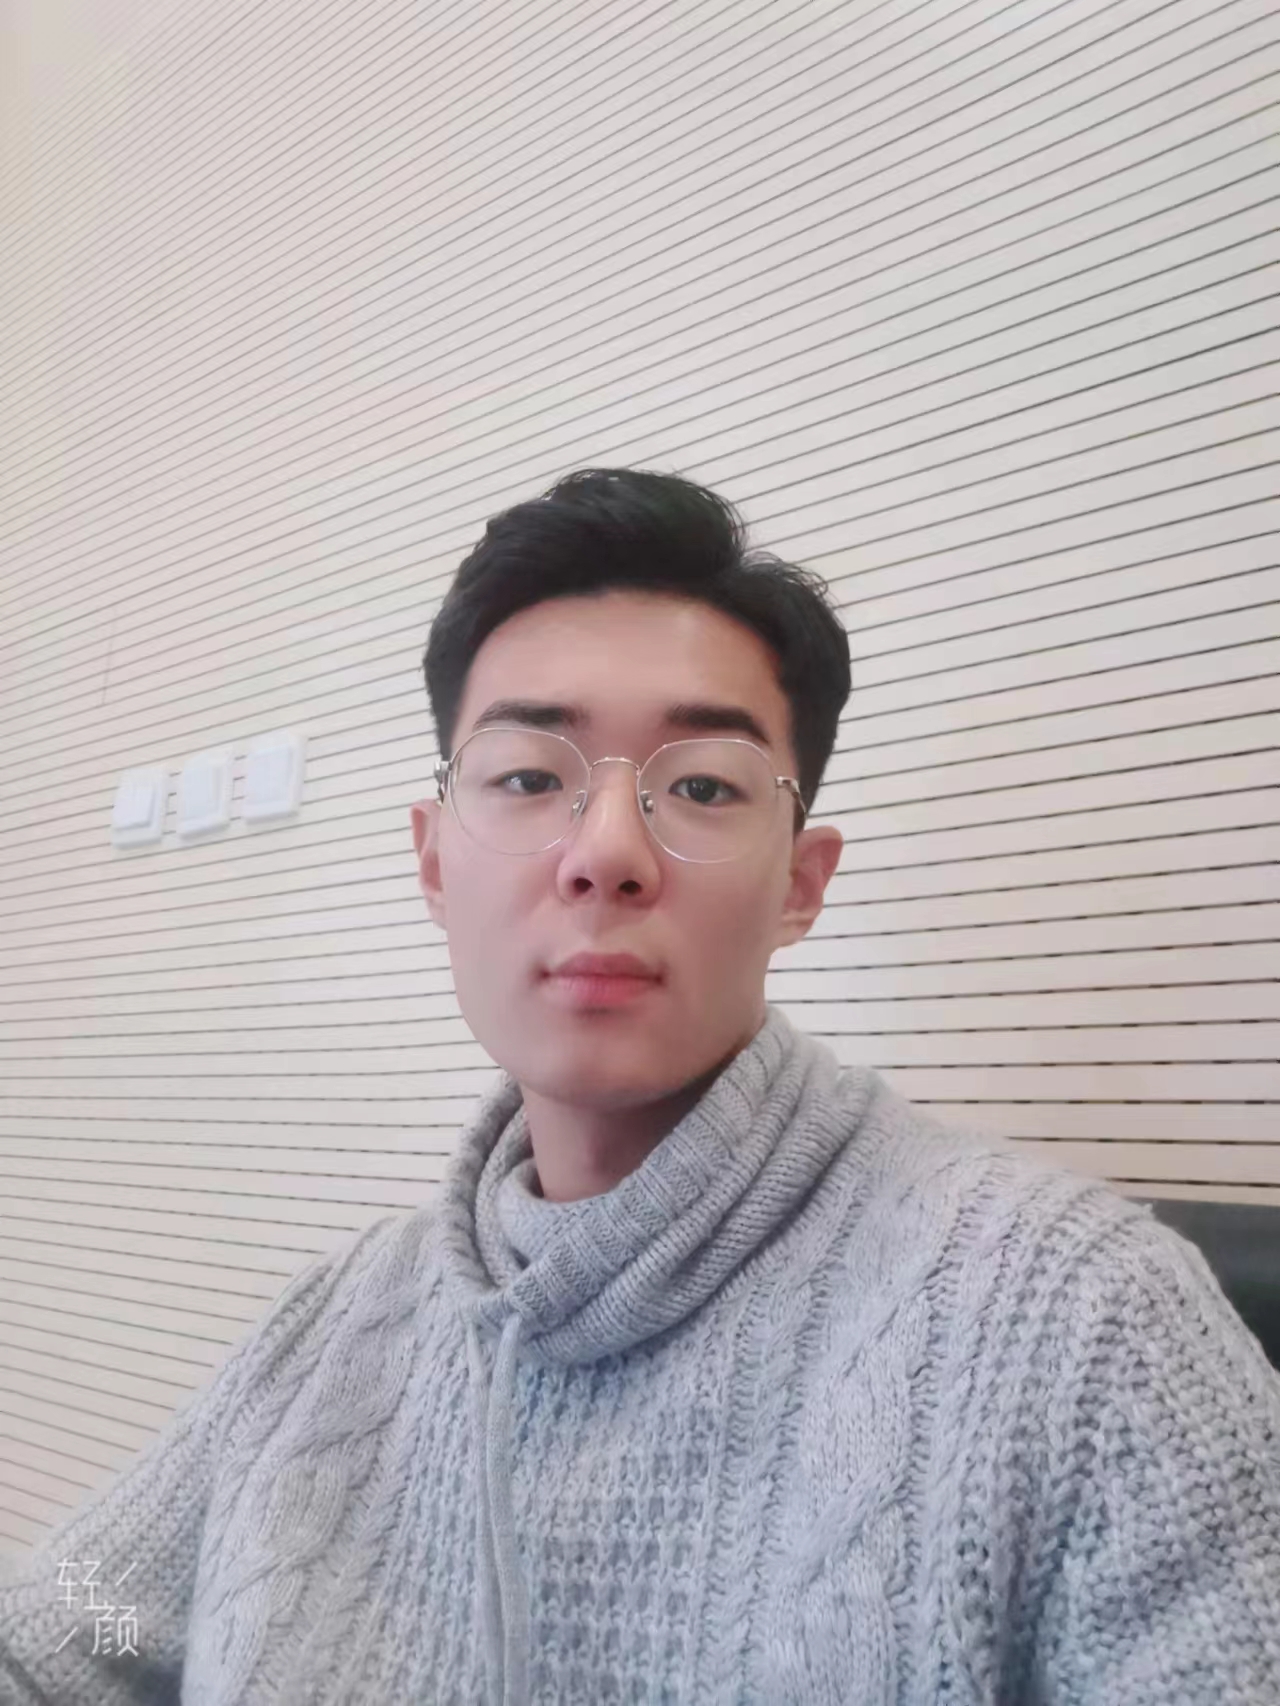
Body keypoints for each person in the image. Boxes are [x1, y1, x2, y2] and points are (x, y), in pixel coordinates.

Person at [2, 468, 1277, 1706]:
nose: (605, 852)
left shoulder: (1085, 1329)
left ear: (800, 883)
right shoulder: (338, 1320)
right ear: (434, 862)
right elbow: (79, 1616)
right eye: (528, 777)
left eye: (703, 785)